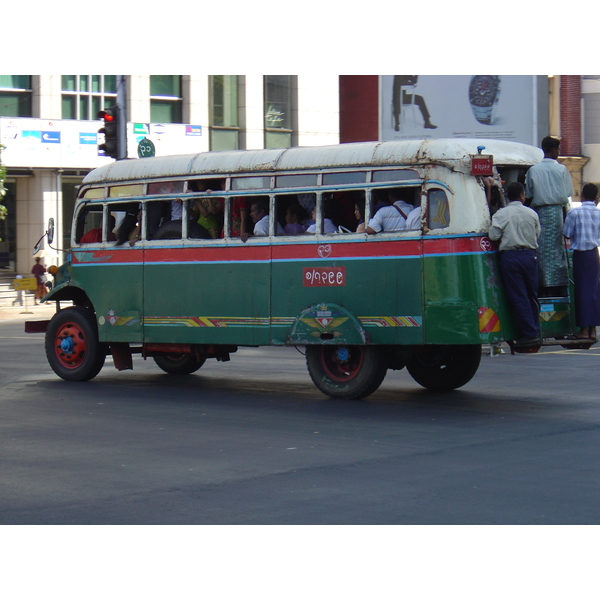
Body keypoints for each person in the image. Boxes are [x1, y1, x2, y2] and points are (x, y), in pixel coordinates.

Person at [488, 181, 541, 346]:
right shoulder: (531, 213)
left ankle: (528, 333)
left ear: (507, 196)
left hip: (511, 257)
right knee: (532, 295)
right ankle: (535, 330)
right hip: (530, 256)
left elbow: (493, 236)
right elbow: (537, 233)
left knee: (519, 296)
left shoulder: (502, 214)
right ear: (522, 196)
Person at [525, 136, 573, 290]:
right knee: (556, 249)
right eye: (558, 149)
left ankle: (542, 284)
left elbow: (529, 194)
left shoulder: (533, 170)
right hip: (557, 213)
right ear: (554, 150)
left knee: (540, 248)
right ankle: (556, 284)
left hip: (539, 213)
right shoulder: (561, 169)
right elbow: (567, 193)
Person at [562, 183, 600, 340]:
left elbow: (566, 233)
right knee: (593, 292)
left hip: (581, 255)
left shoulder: (574, 213)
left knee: (582, 291)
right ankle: (592, 330)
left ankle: (584, 330)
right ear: (596, 198)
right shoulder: (598, 214)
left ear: (582, 196)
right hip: (593, 254)